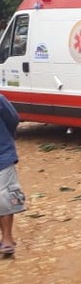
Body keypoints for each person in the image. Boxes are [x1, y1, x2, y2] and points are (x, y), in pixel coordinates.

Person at [0, 93, 25, 256]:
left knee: (5, 196)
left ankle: (7, 238)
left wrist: (5, 137)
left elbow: (13, 118)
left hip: (2, 154)